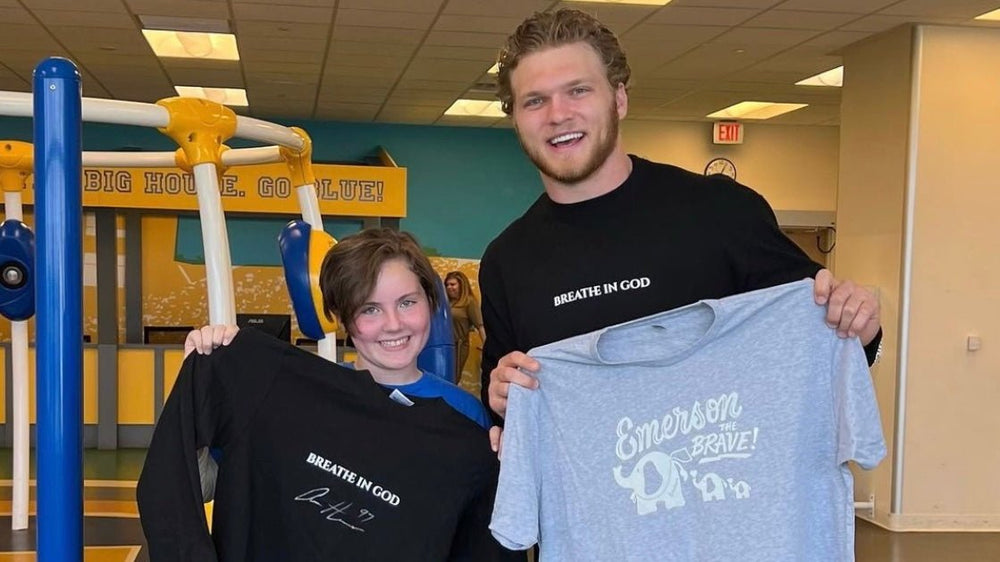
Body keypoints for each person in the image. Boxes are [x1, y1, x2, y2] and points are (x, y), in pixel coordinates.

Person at [480, 8, 882, 432]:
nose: (558, 114)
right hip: (585, 498)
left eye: (578, 91)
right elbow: (502, 409)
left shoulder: (724, 213)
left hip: (727, 492)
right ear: (516, 119)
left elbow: (819, 349)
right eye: (535, 101)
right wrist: (500, 398)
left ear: (619, 98)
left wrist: (860, 325)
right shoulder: (508, 261)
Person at [139, 228, 516, 561]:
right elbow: (193, 486)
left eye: (407, 302)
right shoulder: (282, 398)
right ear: (341, 317)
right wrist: (208, 384)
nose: (394, 324)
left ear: (431, 304)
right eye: (369, 309)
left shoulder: (467, 417)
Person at [444, 270, 486, 383]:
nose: (449, 287)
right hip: (444, 345)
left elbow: (480, 326)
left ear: (461, 285)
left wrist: (487, 347)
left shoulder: (469, 302)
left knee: (452, 379)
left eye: (453, 284)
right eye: (447, 285)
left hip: (458, 346)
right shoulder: (446, 302)